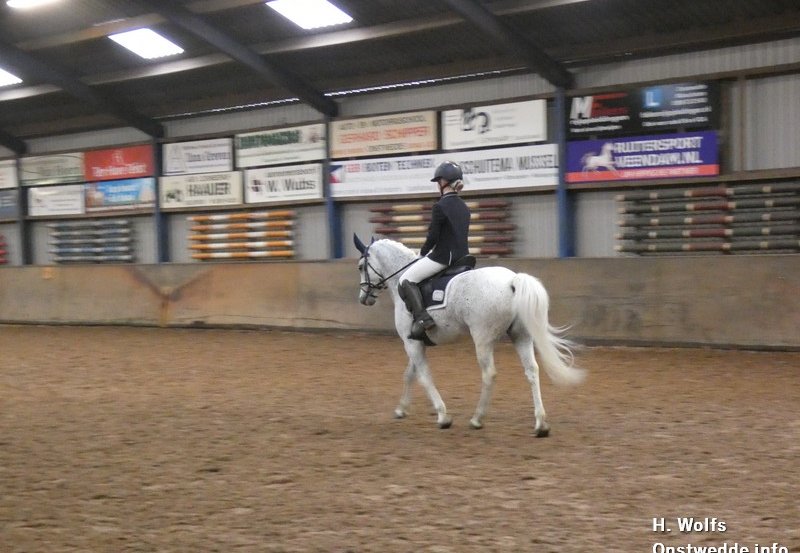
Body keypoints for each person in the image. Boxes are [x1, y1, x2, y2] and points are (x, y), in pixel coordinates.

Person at [399, 161, 471, 341]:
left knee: (406, 279)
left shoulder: (440, 206)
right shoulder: (464, 206)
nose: (438, 185)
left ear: (443, 182)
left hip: (443, 257)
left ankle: (423, 319)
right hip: (464, 257)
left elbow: (433, 237)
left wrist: (422, 254)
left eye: (438, 181)